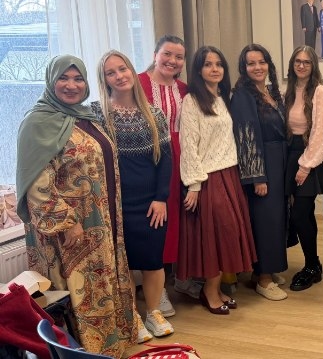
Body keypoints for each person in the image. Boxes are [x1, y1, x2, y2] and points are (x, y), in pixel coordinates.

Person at [16, 55, 136, 357]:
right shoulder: (38, 122)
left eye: (78, 79)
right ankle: (83, 352)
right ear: (50, 81)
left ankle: (111, 347)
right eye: (64, 78)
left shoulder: (85, 117)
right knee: (80, 293)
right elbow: (37, 185)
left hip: (101, 221)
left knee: (100, 286)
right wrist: (67, 222)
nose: (72, 85)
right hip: (69, 233)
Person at [92, 50, 176, 341]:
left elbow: (165, 160)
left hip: (151, 203)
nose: (119, 76)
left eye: (123, 68)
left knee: (153, 261)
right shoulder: (97, 114)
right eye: (111, 72)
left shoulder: (154, 114)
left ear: (132, 70)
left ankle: (153, 312)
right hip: (115, 205)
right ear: (104, 80)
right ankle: (133, 318)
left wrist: (161, 198)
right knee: (123, 263)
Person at [178, 46, 257, 315]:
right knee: (218, 236)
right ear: (198, 70)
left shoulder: (223, 98)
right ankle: (209, 291)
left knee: (230, 234)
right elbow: (189, 144)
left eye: (219, 64)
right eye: (208, 64)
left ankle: (218, 289)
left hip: (230, 174)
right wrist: (194, 184)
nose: (214, 69)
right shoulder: (191, 101)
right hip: (208, 178)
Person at [138, 35, 202, 313]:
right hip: (148, 157)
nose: (172, 61)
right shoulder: (137, 84)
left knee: (181, 219)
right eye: (167, 54)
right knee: (155, 222)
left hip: (181, 157)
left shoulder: (185, 89)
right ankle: (157, 289)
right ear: (155, 54)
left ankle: (182, 279)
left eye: (178, 57)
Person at [230, 44, 289, 301]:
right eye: (251, 63)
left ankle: (264, 271)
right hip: (262, 164)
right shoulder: (242, 95)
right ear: (243, 68)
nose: (257, 67)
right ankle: (264, 280)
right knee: (266, 221)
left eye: (261, 62)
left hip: (279, 161)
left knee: (276, 219)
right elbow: (245, 137)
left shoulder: (271, 91)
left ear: (269, 64)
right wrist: (257, 176)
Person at [284, 45, 323, 291]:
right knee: (300, 214)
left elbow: (321, 131)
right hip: (289, 154)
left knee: (300, 213)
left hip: (309, 156)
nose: (301, 65)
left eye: (306, 62)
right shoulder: (288, 90)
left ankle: (312, 265)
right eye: (297, 61)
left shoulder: (320, 91)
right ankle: (313, 264)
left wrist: (305, 166)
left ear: (313, 65)